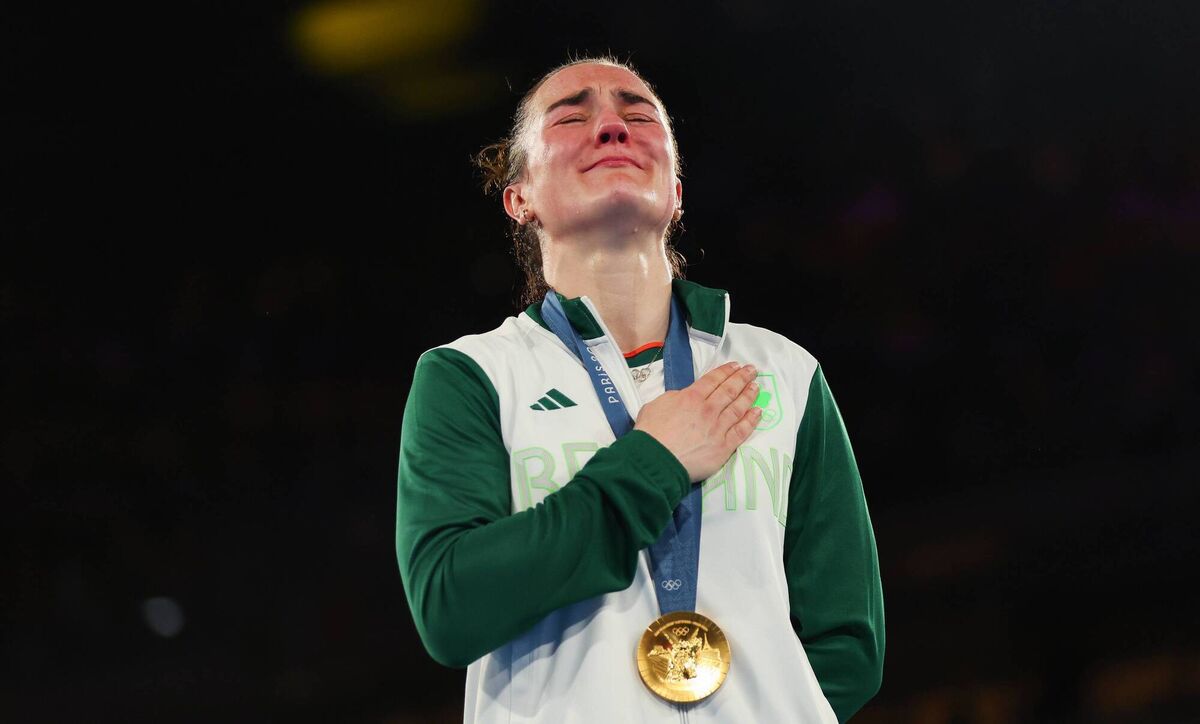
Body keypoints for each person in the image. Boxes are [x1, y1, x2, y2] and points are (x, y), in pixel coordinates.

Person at [395, 56, 884, 723]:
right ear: (520, 197)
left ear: (676, 190)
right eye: (571, 117)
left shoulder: (783, 372)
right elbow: (450, 607)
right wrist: (653, 460)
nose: (611, 127)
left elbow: (849, 642)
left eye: (638, 115)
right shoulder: (471, 375)